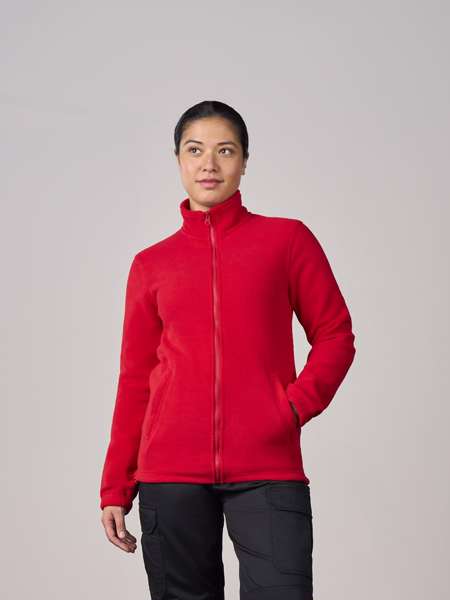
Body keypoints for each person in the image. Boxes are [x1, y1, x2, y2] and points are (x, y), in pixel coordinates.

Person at [99, 100, 356, 600]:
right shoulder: (151, 265)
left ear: (244, 160)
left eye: (225, 150)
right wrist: (116, 484)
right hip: (169, 473)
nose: (209, 164)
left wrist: (291, 408)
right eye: (195, 150)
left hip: (267, 466)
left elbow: (335, 334)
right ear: (179, 160)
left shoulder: (287, 240)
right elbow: (135, 379)